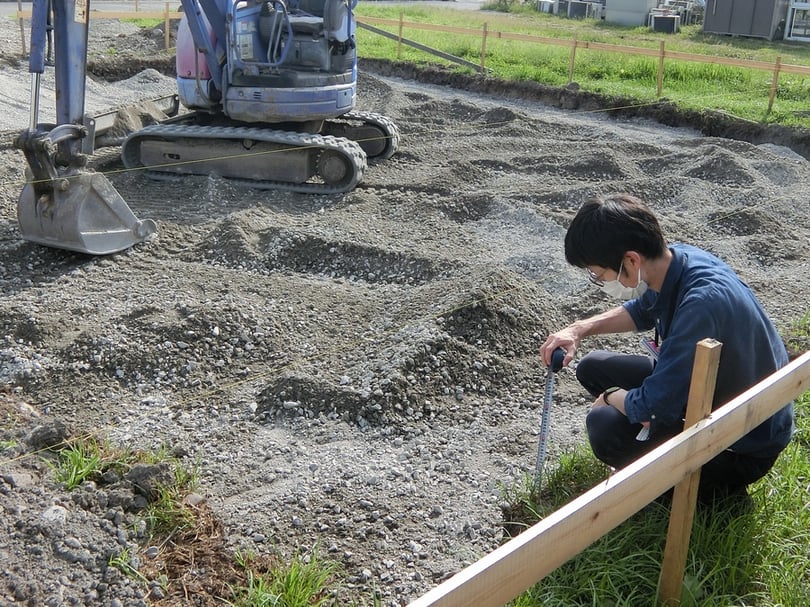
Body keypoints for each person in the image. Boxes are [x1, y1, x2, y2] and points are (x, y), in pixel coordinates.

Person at [540, 193, 794, 504]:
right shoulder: (676, 261)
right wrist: (579, 329)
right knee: (593, 367)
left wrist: (609, 397)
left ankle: (714, 493)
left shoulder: (701, 305)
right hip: (714, 392)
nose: (600, 281)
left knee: (605, 426)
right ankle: (667, 457)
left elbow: (649, 408)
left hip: (742, 443)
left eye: (598, 274)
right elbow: (642, 311)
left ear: (631, 260)